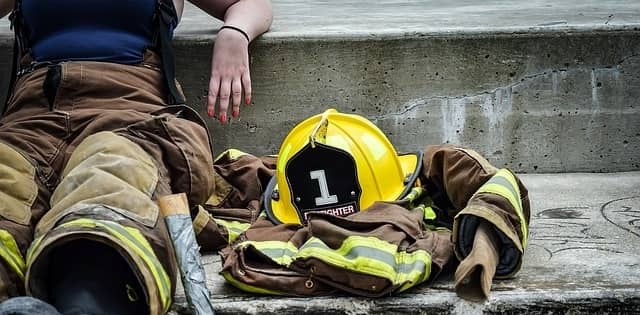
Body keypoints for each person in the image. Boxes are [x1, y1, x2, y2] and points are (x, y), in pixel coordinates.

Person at [0, 0, 272, 314]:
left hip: (129, 113)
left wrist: (235, 33)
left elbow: (250, 4)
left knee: (112, 185)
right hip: (31, 118)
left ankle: (87, 303)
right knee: (6, 183)